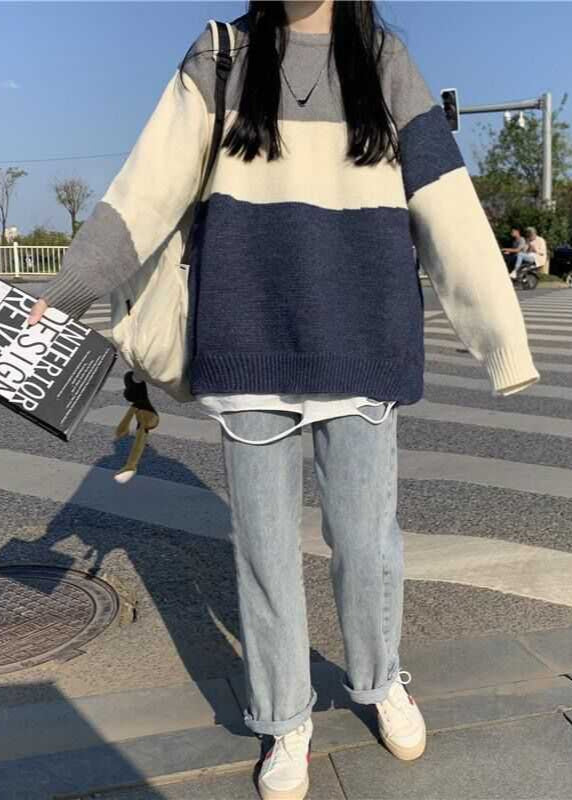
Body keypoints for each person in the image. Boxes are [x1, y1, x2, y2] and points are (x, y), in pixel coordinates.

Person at [26, 3, 540, 798]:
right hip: (248, 342)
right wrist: (66, 294)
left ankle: (380, 679)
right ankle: (284, 716)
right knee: (264, 554)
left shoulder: (383, 58)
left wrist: (502, 338)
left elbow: (445, 200)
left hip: (362, 344)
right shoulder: (221, 55)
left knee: (366, 544)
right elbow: (148, 187)